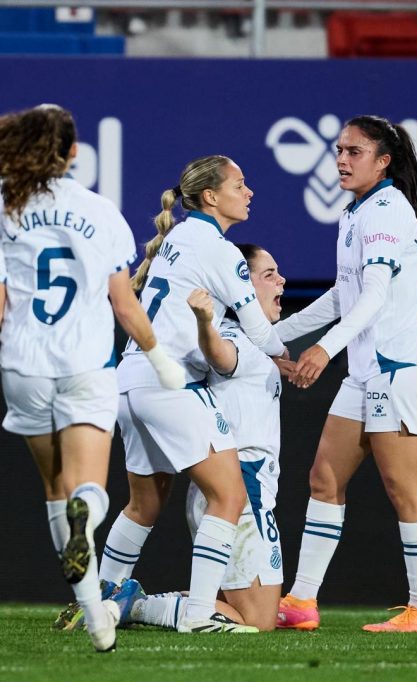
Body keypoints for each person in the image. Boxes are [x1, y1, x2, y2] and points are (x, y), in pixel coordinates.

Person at [0, 104, 185, 653]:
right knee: (88, 490)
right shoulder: (101, 211)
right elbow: (124, 305)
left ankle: (97, 622)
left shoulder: (4, 208)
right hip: (86, 366)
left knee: (52, 486)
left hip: (24, 368)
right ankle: (84, 517)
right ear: (73, 152)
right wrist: (162, 360)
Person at [98, 156, 287, 634]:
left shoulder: (177, 239)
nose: (249, 193)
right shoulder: (219, 250)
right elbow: (261, 335)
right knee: (229, 494)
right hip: (170, 380)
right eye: (240, 184)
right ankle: (199, 614)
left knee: (144, 504)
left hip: (129, 378)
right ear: (210, 196)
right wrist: (298, 356)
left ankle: (101, 600)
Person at [275, 115, 417, 633]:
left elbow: (372, 298)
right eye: (339, 150)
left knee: (403, 488)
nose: (342, 160)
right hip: (369, 370)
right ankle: (302, 603)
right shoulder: (358, 211)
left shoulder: (386, 214)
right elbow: (343, 294)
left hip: (399, 367)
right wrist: (276, 336)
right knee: (324, 479)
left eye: (355, 151)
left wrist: (323, 351)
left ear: (383, 160)